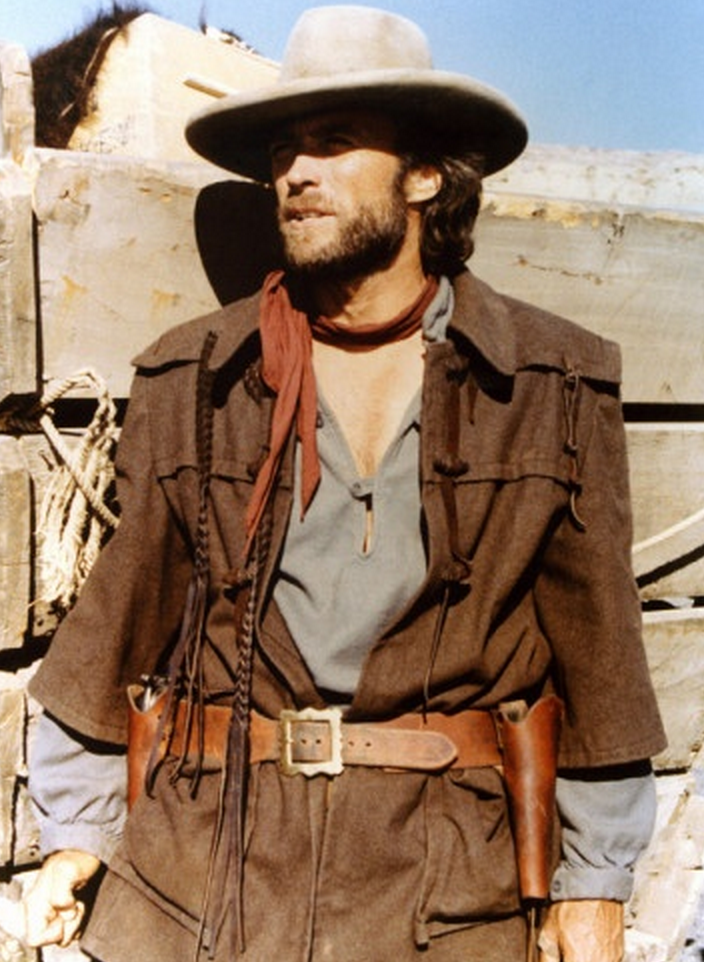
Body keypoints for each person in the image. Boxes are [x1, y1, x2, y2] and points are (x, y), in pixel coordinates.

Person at [24, 6, 666, 962]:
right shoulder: (198, 376)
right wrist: (75, 837)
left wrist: (595, 887)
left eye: (332, 142)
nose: (296, 173)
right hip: (208, 878)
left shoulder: (546, 384)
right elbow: (118, 619)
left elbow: (600, 654)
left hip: (446, 890)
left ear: (424, 174)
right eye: (284, 151)